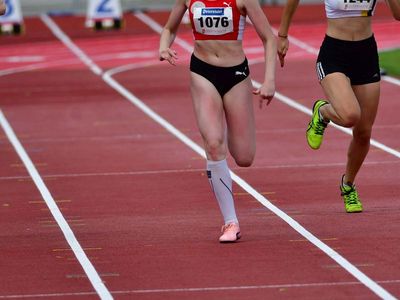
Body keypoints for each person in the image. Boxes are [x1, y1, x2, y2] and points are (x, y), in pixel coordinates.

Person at [159, 0, 277, 242]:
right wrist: (163, 46)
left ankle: (230, 209)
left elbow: (269, 38)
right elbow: (169, 28)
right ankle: (230, 222)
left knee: (244, 157)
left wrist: (269, 81)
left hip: (236, 75)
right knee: (213, 144)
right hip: (202, 72)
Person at [277, 0, 400, 213]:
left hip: (366, 53)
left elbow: (398, 14)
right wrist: (283, 34)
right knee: (350, 115)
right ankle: (322, 111)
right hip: (334, 53)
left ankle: (348, 185)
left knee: (363, 132)